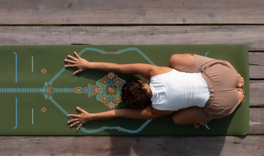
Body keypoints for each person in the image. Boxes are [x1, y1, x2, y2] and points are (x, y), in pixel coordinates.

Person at [64, 52, 244, 131]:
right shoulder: (154, 72)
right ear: (141, 84)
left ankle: (237, 98)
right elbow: (119, 68)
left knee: (176, 119)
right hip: (222, 73)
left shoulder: (156, 110)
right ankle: (234, 78)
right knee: (174, 60)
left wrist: (91, 117)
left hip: (223, 103)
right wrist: (88, 65)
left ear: (141, 103)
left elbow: (122, 113)